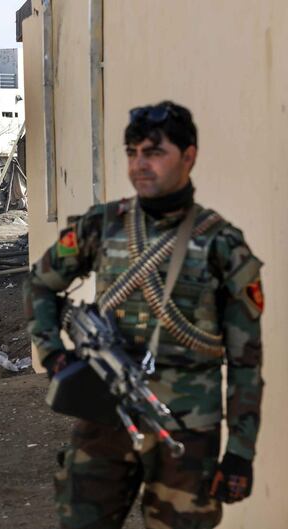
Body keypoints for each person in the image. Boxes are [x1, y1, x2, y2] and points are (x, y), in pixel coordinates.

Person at [26, 101, 264, 528]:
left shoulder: (223, 245)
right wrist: (52, 351)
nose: (140, 164)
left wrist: (240, 455)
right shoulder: (103, 225)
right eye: (132, 152)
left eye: (154, 152)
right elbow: (42, 282)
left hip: (186, 433)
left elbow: (247, 363)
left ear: (188, 156)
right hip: (104, 414)